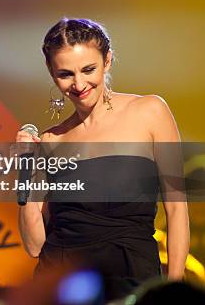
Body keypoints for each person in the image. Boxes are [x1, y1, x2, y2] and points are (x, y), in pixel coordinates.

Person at [17, 18, 190, 301]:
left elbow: (176, 209)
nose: (79, 84)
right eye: (65, 74)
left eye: (88, 69)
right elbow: (35, 247)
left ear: (107, 61)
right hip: (64, 283)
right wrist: (25, 167)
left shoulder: (150, 112)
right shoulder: (51, 140)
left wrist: (173, 290)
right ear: (51, 72)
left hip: (131, 275)